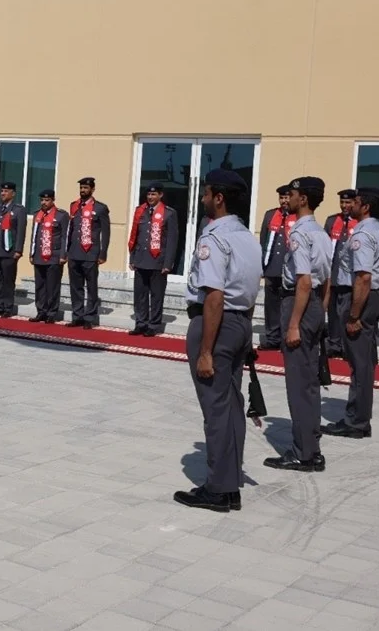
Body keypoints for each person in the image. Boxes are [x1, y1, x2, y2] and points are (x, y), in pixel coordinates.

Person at [174, 168, 261, 512]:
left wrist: (206, 351)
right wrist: (245, 334)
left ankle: (219, 489)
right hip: (239, 323)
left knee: (216, 409)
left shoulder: (214, 237)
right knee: (231, 407)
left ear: (219, 198)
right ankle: (230, 483)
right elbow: (250, 291)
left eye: (207, 193)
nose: (202, 198)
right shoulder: (247, 237)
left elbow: (213, 295)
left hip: (215, 324)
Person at [264, 177, 331, 473]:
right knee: (310, 382)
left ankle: (303, 452)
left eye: (291, 194)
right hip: (313, 305)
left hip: (298, 304)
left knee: (298, 385)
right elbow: (326, 280)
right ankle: (311, 448)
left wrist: (293, 324)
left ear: (302, 199)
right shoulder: (321, 232)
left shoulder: (301, 233)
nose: (287, 198)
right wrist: (320, 311)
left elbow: (303, 281)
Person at [322, 186, 379, 440]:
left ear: (366, 207)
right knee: (364, 361)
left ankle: (357, 422)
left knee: (360, 363)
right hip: (371, 296)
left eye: (356, 201)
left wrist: (354, 316)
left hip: (358, 298)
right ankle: (359, 417)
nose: (350, 204)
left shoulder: (363, 234)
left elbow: (363, 277)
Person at [128, 182, 179, 336]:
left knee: (156, 296)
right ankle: (141, 323)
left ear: (160, 195)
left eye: (154, 194)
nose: (150, 197)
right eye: (149, 194)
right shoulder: (141, 211)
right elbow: (135, 236)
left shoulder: (169, 213)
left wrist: (168, 263)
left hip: (158, 261)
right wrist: (132, 258)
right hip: (141, 259)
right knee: (140, 295)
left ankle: (154, 325)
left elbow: (172, 241)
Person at [66, 177, 110, 329]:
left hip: (91, 254)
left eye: (85, 188)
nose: (83, 190)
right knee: (75, 287)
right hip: (74, 252)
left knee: (91, 287)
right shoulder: (74, 205)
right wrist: (66, 251)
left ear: (92, 189)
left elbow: (106, 233)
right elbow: (70, 229)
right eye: (81, 188)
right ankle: (77, 315)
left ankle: (89, 317)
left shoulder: (100, 208)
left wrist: (103, 253)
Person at [257, 185, 296, 350]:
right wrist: (262, 266)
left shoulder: (297, 216)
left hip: (289, 270)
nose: (284, 201)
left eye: (287, 197)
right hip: (272, 267)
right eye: (282, 198)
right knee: (271, 306)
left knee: (287, 306)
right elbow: (263, 241)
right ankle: (272, 338)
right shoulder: (271, 215)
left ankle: (285, 338)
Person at [322, 189, 358, 357]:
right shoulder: (332, 221)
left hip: (350, 277)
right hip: (333, 275)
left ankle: (345, 345)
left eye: (348, 202)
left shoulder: (359, 222)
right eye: (342, 202)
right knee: (333, 312)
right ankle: (334, 343)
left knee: (345, 313)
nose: (344, 205)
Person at [28, 189, 70, 323]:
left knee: (52, 286)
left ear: (53, 200)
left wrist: (63, 255)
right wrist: (31, 253)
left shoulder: (61, 215)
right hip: (39, 255)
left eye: (47, 200)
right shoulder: (37, 214)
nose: (44, 203)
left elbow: (65, 237)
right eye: (42, 200)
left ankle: (51, 313)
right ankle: (41, 311)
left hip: (54, 256)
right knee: (40, 286)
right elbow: (34, 236)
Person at [0, 182, 26, 317]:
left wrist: (18, 250)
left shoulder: (18, 210)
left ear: (13, 194)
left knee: (8, 280)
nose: (3, 193)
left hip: (9, 251)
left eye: (6, 191)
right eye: (2, 191)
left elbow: (20, 232)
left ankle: (8, 307)